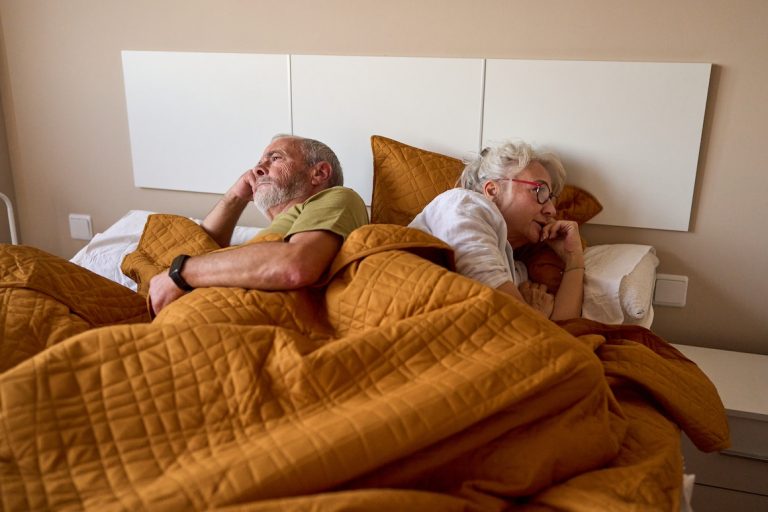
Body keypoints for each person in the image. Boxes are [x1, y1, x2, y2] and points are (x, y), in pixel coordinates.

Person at [149, 134, 369, 314]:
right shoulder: (265, 244)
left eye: (275, 158)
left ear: (319, 173)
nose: (257, 170)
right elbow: (202, 249)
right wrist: (236, 196)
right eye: (258, 164)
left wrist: (181, 273)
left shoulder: (339, 197)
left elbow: (295, 265)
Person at [408, 141, 584, 320]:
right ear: (492, 190)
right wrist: (535, 314)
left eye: (550, 198)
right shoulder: (463, 204)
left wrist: (574, 259)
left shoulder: (516, 272)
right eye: (540, 191)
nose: (552, 211)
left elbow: (563, 329)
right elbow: (513, 317)